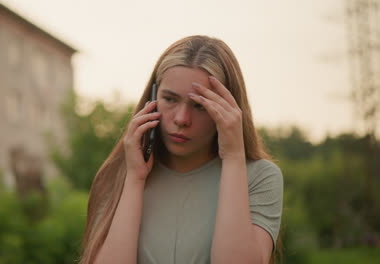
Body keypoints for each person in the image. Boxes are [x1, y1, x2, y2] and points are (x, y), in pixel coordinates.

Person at [79, 35, 284, 264]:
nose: (182, 119)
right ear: (153, 98)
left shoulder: (259, 178)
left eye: (199, 105)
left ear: (228, 109)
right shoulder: (117, 176)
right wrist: (135, 179)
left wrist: (233, 158)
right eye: (170, 99)